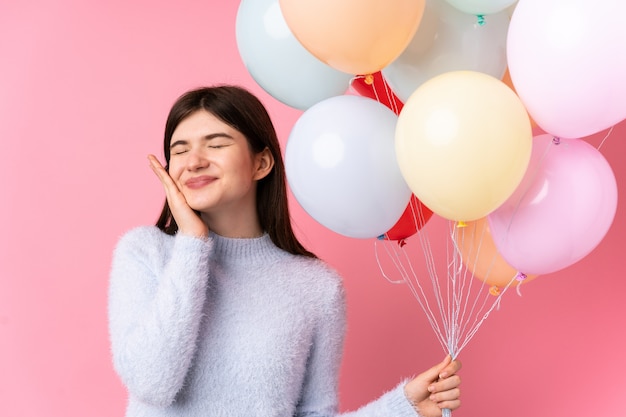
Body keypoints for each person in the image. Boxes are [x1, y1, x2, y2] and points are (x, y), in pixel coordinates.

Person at [108, 85, 461, 417]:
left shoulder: (318, 288)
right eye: (180, 149)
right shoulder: (146, 253)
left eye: (215, 144)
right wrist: (191, 244)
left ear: (261, 163)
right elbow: (151, 383)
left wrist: (402, 409)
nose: (194, 161)